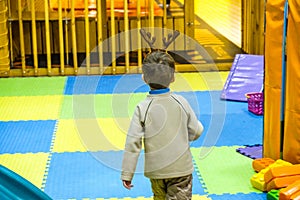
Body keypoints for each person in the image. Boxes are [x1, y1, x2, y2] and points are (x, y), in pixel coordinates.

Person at [121, 50, 204, 199]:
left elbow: (132, 142)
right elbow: (196, 131)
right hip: (181, 170)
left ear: (144, 78)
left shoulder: (142, 108)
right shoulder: (181, 102)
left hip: (156, 171)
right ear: (173, 78)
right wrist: (183, 136)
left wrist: (127, 173)